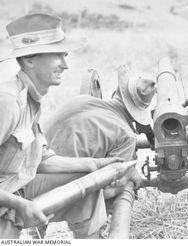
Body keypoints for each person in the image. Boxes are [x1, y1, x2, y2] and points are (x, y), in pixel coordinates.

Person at [0, 13, 137, 239]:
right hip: (6, 201)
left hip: (15, 190)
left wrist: (95, 165)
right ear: (29, 60)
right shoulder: (8, 102)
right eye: (57, 56)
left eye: (64, 55)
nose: (65, 65)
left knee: (87, 184)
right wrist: (20, 204)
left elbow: (43, 159)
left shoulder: (30, 99)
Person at [43, 65, 156, 199]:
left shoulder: (82, 100)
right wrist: (128, 176)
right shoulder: (126, 136)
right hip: (55, 193)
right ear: (138, 112)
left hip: (31, 172)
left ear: (118, 92)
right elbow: (106, 192)